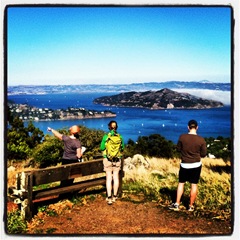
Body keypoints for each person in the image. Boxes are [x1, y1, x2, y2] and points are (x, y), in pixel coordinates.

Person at [169, 119, 207, 212]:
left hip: (185, 164)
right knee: (194, 185)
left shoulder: (182, 137)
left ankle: (177, 204)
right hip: (196, 165)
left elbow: (178, 149)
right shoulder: (201, 140)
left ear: (188, 127)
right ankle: (190, 206)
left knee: (181, 183)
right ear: (197, 127)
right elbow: (203, 154)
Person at [47, 125, 85, 195]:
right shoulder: (77, 142)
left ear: (71, 132)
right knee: (71, 179)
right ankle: (68, 194)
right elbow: (79, 155)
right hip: (73, 162)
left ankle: (62, 194)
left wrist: (51, 129)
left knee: (64, 178)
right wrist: (82, 151)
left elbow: (58, 135)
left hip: (65, 161)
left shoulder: (66, 138)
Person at [100, 120, 124, 205]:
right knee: (116, 178)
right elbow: (122, 148)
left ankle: (109, 198)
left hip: (108, 160)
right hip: (117, 160)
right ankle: (114, 196)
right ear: (116, 127)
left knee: (109, 179)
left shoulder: (106, 137)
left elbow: (102, 148)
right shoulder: (120, 137)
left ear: (109, 127)